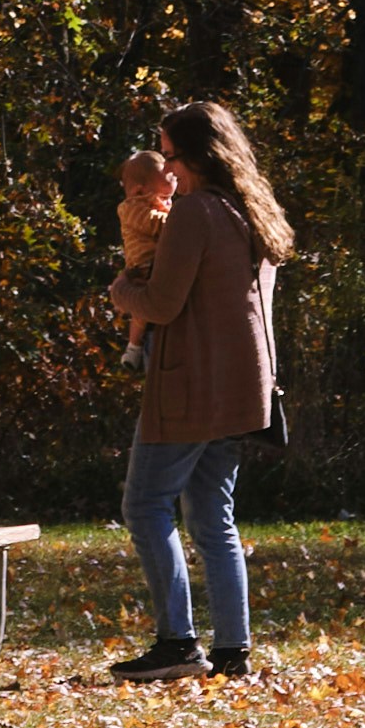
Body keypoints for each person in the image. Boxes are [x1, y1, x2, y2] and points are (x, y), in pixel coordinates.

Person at [105, 96, 288, 683]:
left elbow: (160, 302)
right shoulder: (254, 211)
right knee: (213, 515)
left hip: (191, 386)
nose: (166, 170)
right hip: (243, 388)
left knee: (145, 505)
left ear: (197, 155)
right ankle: (233, 651)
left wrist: (120, 291)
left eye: (170, 156)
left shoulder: (195, 214)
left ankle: (177, 643)